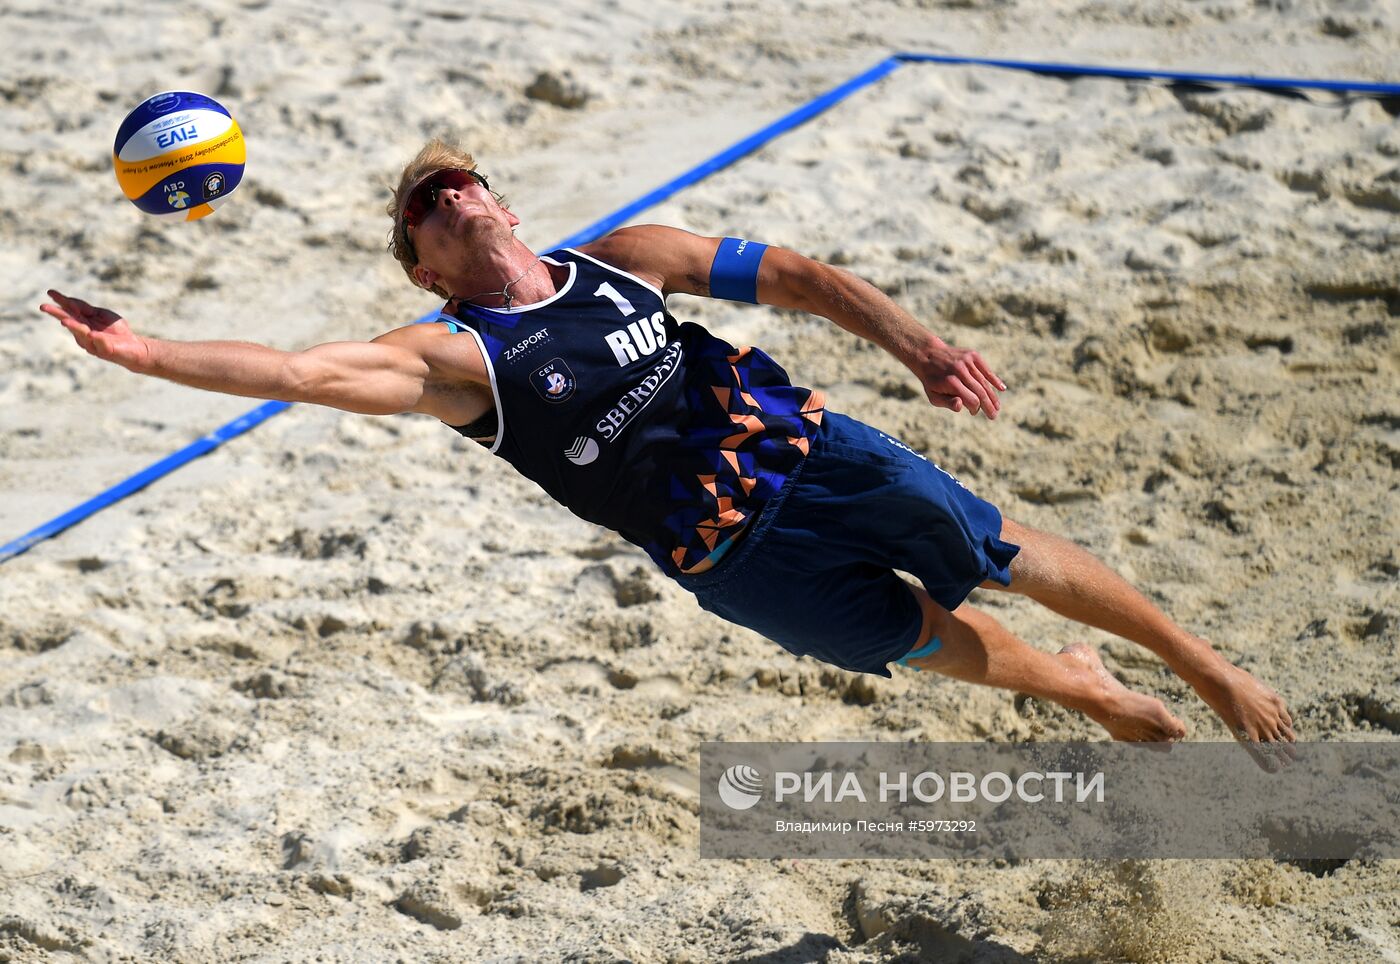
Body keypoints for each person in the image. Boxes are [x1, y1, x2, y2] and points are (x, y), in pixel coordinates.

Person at [42, 139, 1296, 761]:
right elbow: (297, 373)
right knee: (947, 651)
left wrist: (914, 347)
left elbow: (795, 278)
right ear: (425, 268)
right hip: (728, 560)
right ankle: (1079, 683)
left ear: (502, 204)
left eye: (455, 181)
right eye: (419, 209)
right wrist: (146, 352)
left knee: (999, 550)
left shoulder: (621, 258)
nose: (442, 198)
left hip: (814, 455)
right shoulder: (451, 360)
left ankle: (1204, 665)